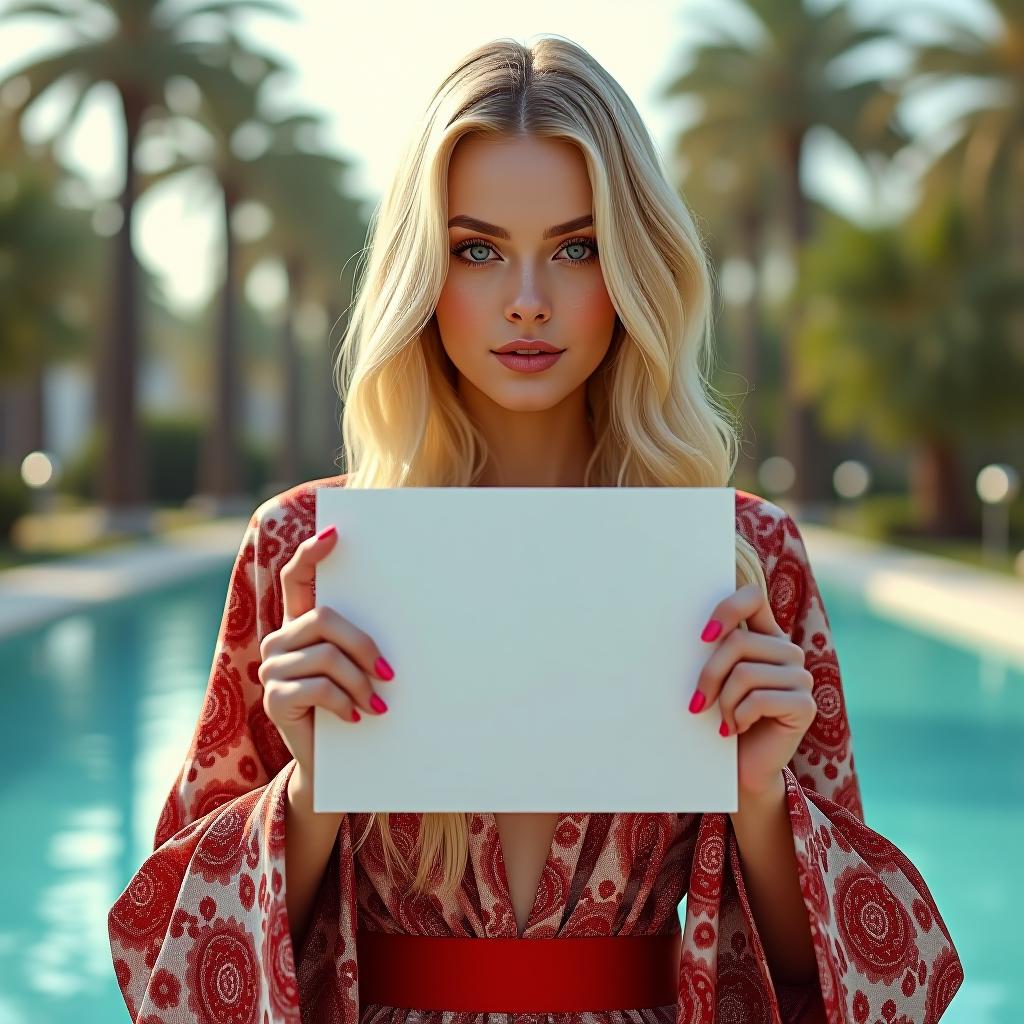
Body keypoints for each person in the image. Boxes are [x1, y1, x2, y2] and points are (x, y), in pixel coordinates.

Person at [107, 34, 963, 1024]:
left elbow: (878, 984)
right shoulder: (306, 553)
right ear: (423, 270)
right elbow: (164, 961)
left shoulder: (741, 556)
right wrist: (309, 789)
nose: (526, 300)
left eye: (577, 246)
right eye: (478, 250)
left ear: (635, 265)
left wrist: (761, 800)